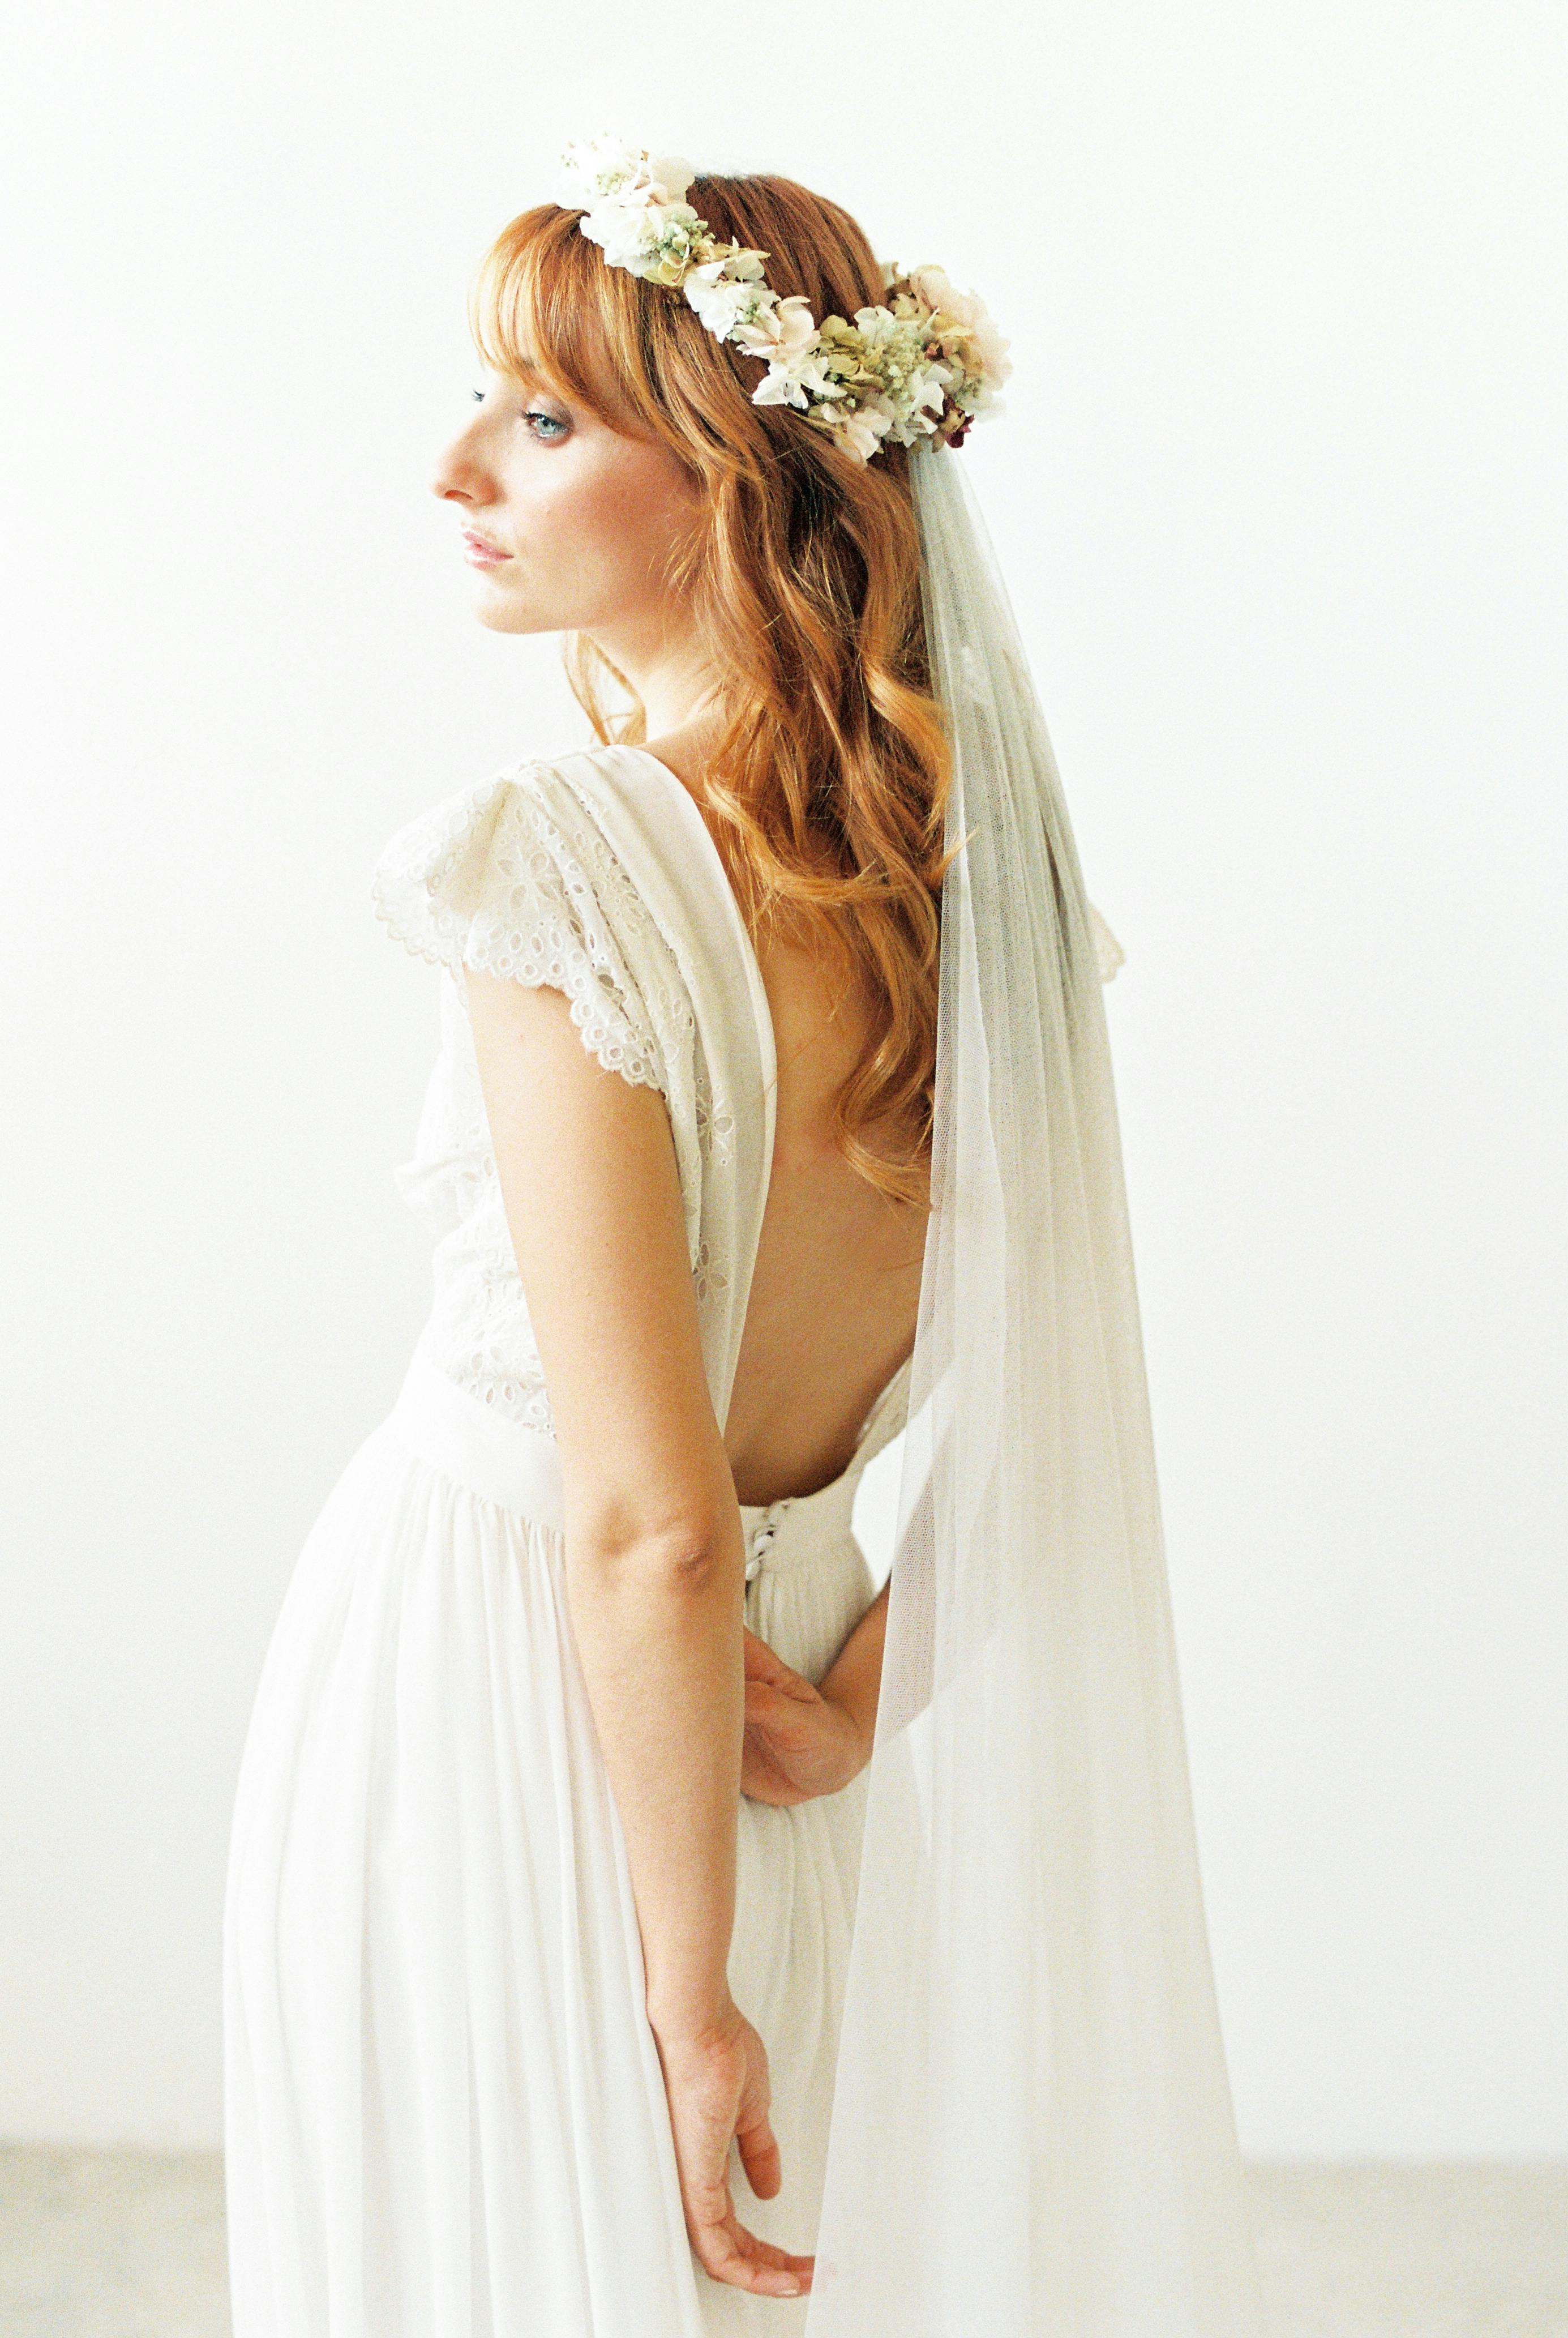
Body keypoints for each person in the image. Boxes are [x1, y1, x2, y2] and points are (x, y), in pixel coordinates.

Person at [225, 136, 1262, 2338]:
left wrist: (681, 1997)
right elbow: (1043, 1388)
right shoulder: (988, 891)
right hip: (780, 1720)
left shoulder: (559, 857)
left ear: (718, 471)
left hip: (508, 1686)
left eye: (538, 414)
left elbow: (646, 1525)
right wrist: (865, 1695)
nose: (453, 470)